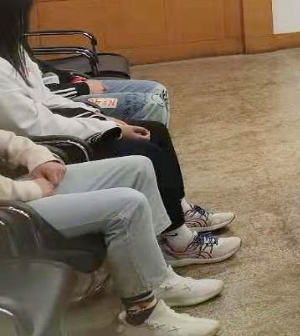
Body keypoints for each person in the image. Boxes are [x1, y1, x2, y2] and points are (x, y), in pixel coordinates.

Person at [0, 0, 240, 267]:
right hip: (55, 148)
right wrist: (109, 128)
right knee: (144, 150)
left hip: (63, 128)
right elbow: (38, 126)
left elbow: (49, 99)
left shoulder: (14, 53)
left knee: (155, 131)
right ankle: (177, 241)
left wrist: (105, 119)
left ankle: (178, 211)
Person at [2, 142, 224, 335]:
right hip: (8, 204)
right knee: (127, 206)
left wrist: (36, 155)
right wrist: (31, 189)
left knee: (138, 167)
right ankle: (142, 314)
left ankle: (159, 278)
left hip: (14, 184)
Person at [0, 0, 171, 125]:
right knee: (149, 103)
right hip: (61, 102)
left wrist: (72, 77)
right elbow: (39, 100)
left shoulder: (11, 37)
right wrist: (84, 88)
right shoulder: (4, 62)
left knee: (157, 90)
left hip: (65, 89)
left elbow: (38, 68)